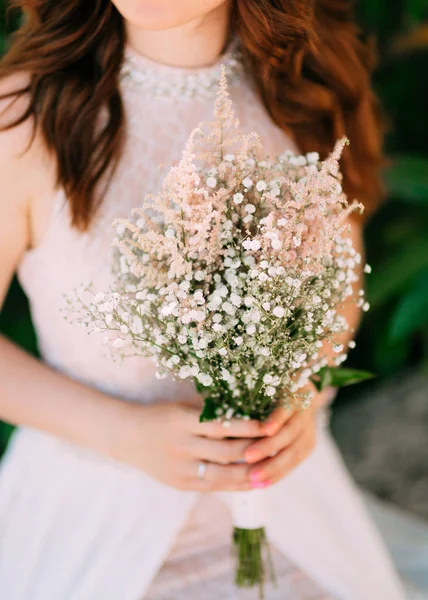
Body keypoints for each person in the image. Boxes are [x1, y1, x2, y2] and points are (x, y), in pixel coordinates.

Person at [0, 1, 418, 598]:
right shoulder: (23, 119)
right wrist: (123, 434)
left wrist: (306, 390)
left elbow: (341, 288)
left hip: (288, 510)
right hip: (95, 521)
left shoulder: (303, 87)